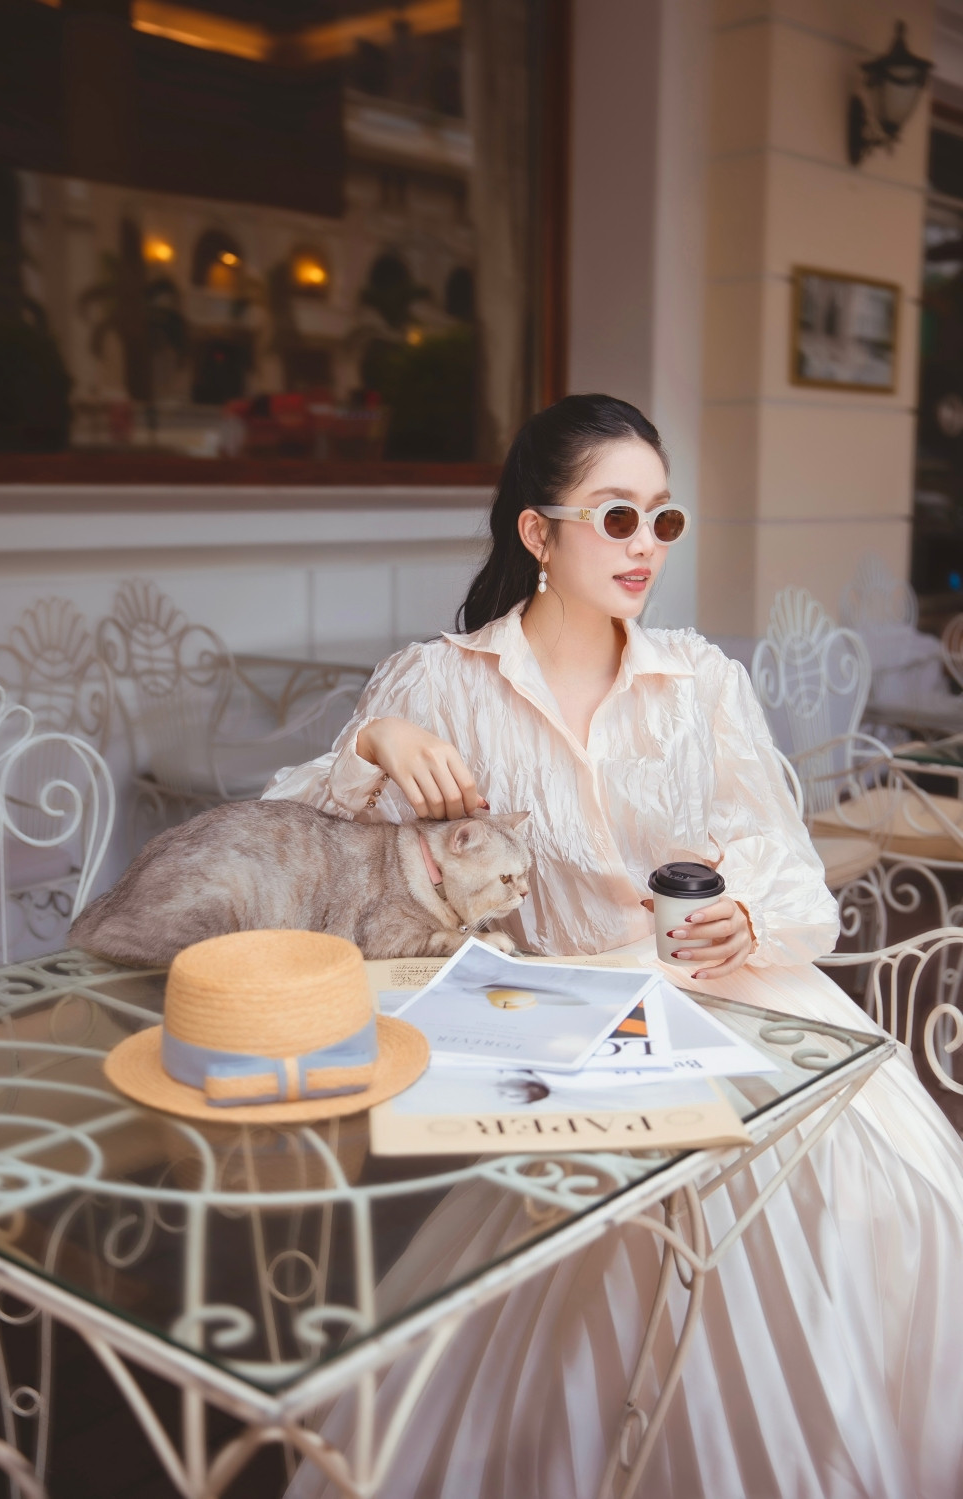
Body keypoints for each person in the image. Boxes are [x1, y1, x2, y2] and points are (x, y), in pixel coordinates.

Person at [265, 395, 963, 1499]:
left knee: (883, 1198)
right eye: (617, 515)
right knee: (663, 1242)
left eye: (662, 519)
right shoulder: (439, 682)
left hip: (739, 997)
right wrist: (373, 741)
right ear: (538, 532)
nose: (646, 545)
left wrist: (745, 908)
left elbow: (783, 859)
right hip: (565, 1028)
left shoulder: (702, 679)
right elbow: (293, 843)